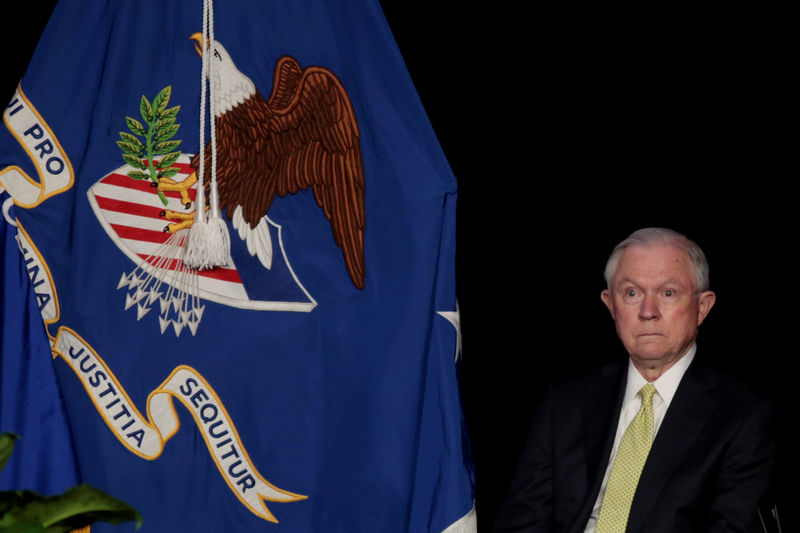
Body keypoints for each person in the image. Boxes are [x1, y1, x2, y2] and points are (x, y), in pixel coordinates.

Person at [493, 227, 776, 533]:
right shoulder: (566, 402)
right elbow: (520, 524)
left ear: (702, 307)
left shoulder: (742, 418)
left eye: (668, 293)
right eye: (632, 293)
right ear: (610, 305)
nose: (648, 312)